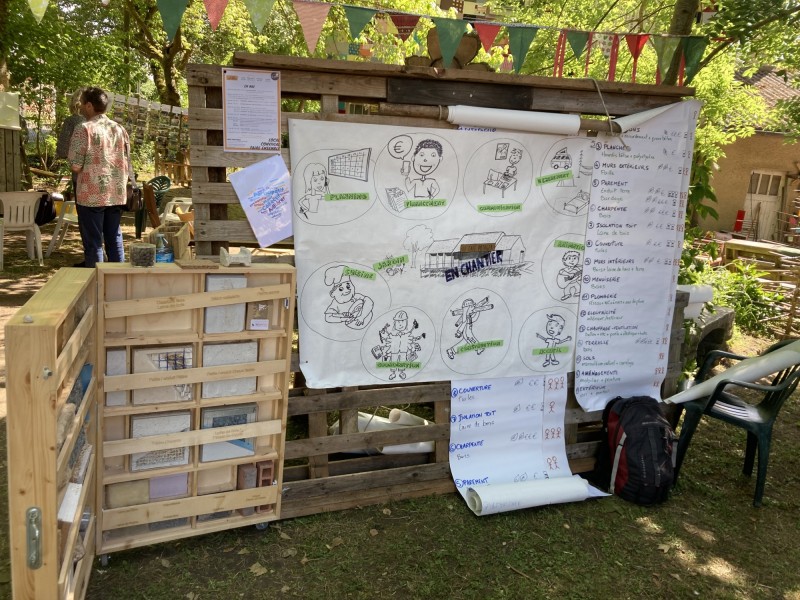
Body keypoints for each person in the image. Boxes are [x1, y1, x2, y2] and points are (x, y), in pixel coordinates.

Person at [68, 87, 131, 268]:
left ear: (89, 105)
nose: (80, 107)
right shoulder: (119, 128)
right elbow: (126, 160)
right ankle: (118, 279)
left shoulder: (83, 129)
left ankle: (96, 281)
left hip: (91, 194)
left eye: (81, 103)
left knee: (94, 242)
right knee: (114, 238)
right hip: (116, 192)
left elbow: (75, 165)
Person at [56, 88, 85, 198]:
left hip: (80, 174)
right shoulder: (105, 124)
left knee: (82, 204)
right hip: (102, 176)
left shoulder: (71, 121)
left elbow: (62, 150)